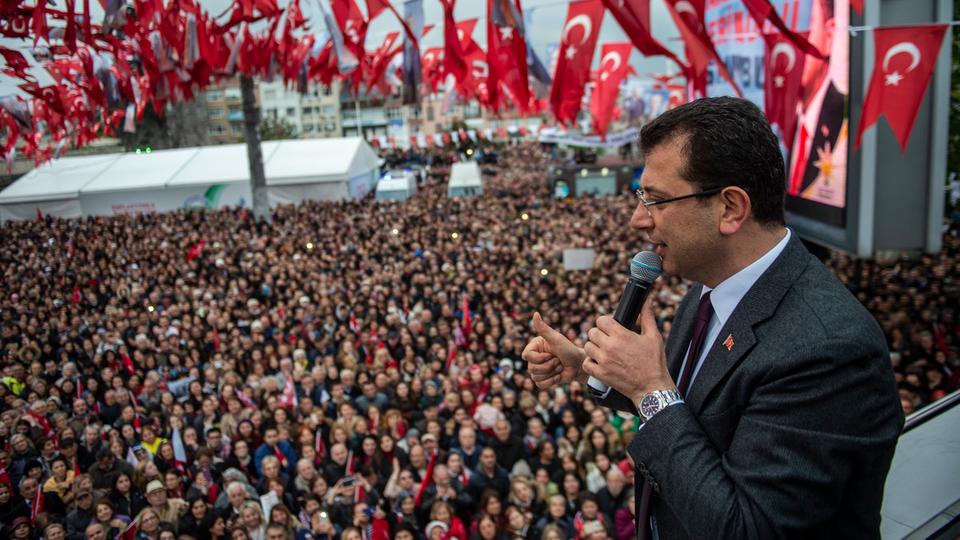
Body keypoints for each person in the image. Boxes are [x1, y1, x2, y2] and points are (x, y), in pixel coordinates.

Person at [523, 97, 903, 538]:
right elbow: (698, 412)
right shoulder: (707, 289)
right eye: (640, 197)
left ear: (730, 209)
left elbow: (748, 528)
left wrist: (649, 388)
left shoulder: (827, 349)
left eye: (656, 200)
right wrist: (595, 370)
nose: (636, 220)